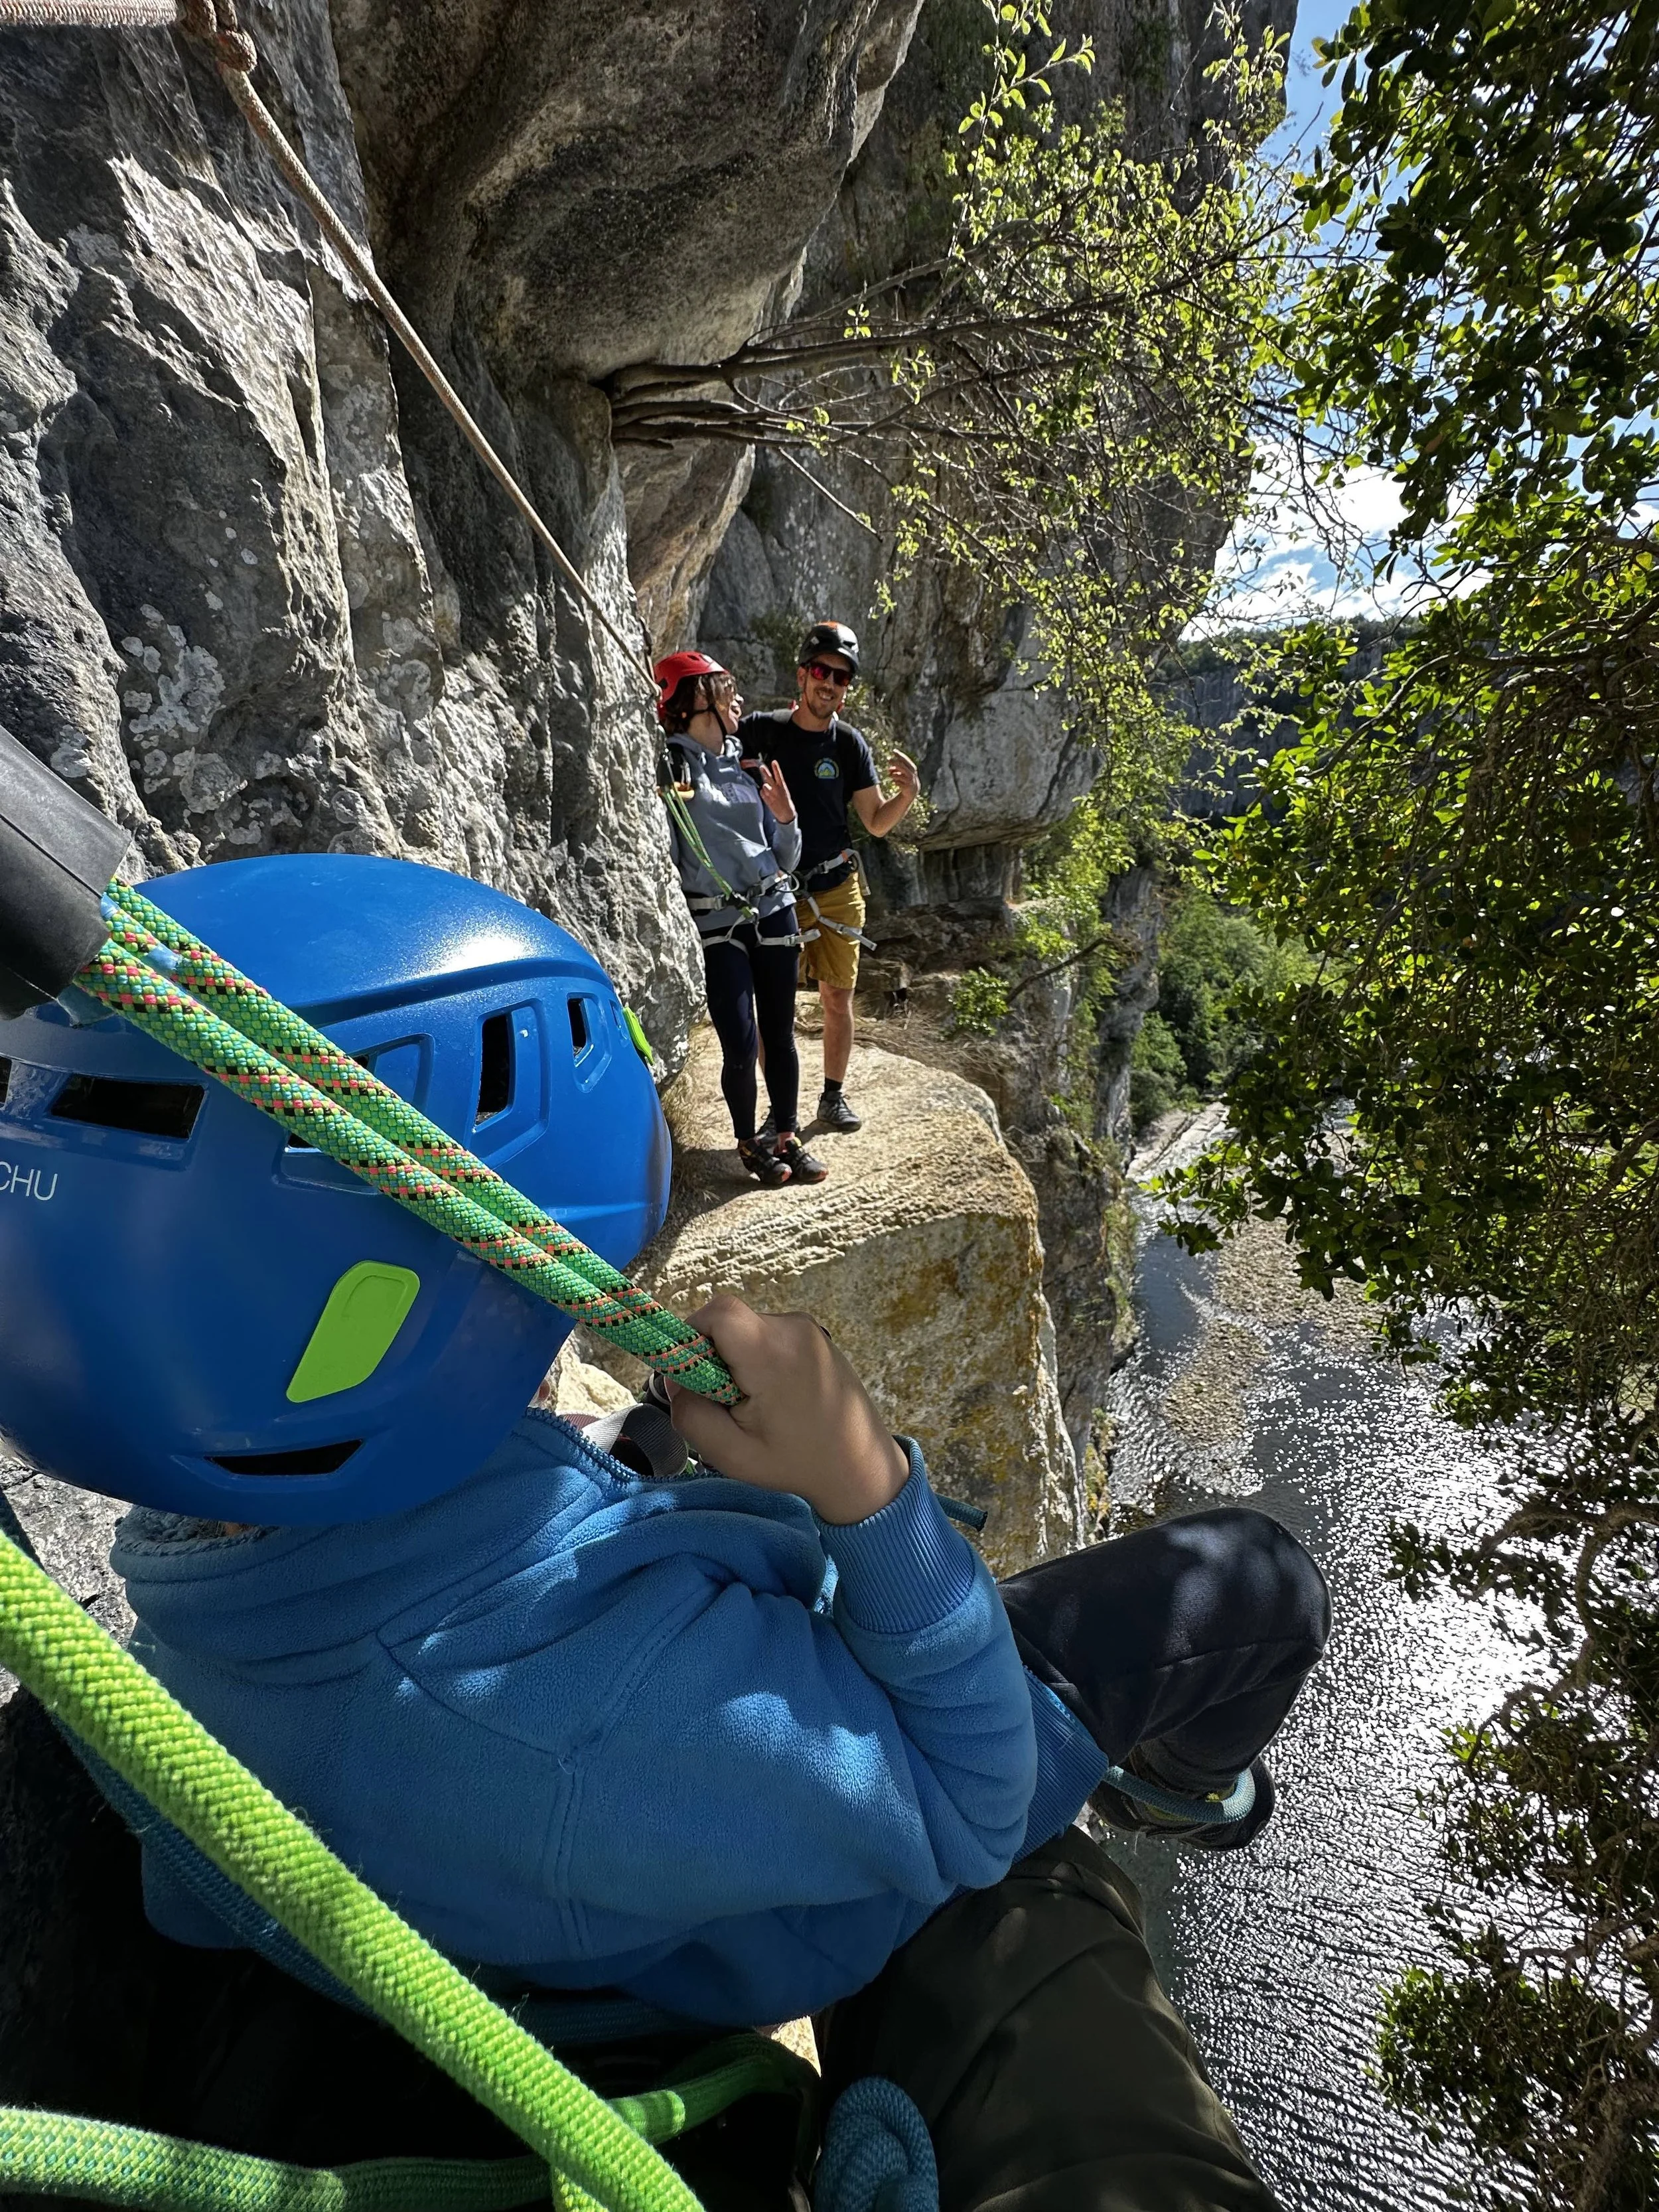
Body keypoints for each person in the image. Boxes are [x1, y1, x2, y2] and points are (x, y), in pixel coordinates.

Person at [0, 851, 1328, 2202]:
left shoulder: (181, 1581)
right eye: (533, 1304)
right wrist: (869, 1493)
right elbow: (968, 1802)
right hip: (836, 1842)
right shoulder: (569, 1714)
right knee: (1263, 1585)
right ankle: (1174, 1788)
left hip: (507, 1836)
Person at [654, 648, 826, 1189]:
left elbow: (787, 857)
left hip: (773, 908)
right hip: (720, 922)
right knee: (741, 1038)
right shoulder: (677, 767)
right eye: (726, 692)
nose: (739, 702)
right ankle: (749, 1141)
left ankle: (787, 1135)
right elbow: (675, 827)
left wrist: (787, 819)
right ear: (698, 702)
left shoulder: (745, 766)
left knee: (781, 1033)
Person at [740, 621, 920, 1135]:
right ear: (803, 674)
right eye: (822, 670)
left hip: (837, 887)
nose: (830, 682)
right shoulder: (762, 731)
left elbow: (875, 821)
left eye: (841, 677)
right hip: (776, 887)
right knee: (772, 1004)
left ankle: (833, 1096)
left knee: (837, 997)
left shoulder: (848, 745)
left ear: (847, 689)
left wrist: (907, 794)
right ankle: (780, 1106)